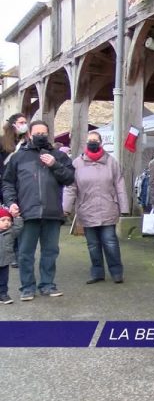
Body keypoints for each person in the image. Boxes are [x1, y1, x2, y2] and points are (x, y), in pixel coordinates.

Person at [2, 120, 75, 300]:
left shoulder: (59, 156)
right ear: (30, 134)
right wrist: (11, 202)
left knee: (50, 252)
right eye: (37, 133)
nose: (40, 136)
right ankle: (27, 288)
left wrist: (54, 164)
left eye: (44, 133)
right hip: (27, 213)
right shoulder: (19, 157)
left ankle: (47, 285)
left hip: (52, 213)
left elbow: (70, 179)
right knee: (26, 253)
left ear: (48, 134)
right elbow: (7, 182)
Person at [63, 131, 130, 284]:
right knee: (92, 244)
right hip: (86, 209)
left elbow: (120, 185)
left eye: (95, 140)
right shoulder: (76, 164)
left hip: (108, 208)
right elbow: (71, 187)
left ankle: (117, 272)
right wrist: (65, 208)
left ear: (101, 143)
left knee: (110, 242)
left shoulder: (112, 162)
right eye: (89, 140)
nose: (92, 142)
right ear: (85, 143)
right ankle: (97, 272)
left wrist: (124, 207)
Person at [0, 113, 28, 269]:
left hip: (23, 186)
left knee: (19, 221)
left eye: (25, 122)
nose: (24, 124)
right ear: (13, 125)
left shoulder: (27, 142)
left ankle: (19, 254)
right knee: (7, 221)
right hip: (5, 186)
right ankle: (9, 254)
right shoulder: (2, 142)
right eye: (21, 122)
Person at [0, 207, 23, 304]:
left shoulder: (11, 232)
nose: (6, 222)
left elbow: (18, 227)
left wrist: (17, 217)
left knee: (3, 280)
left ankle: (3, 294)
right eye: (3, 220)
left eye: (9, 220)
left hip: (5, 261)